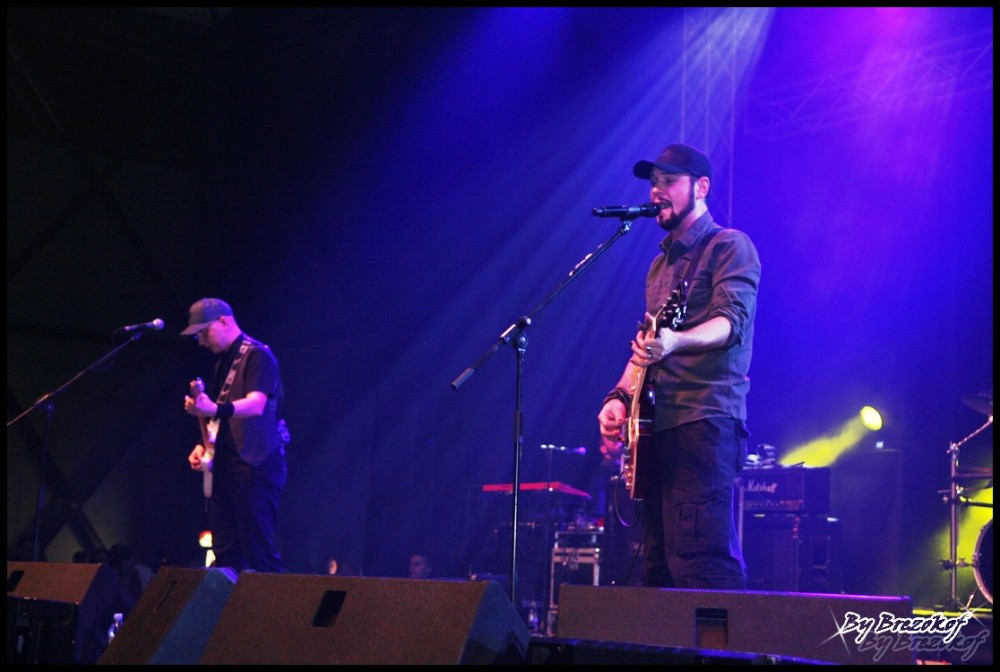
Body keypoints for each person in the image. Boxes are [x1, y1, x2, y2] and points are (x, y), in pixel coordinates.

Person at [597, 143, 760, 590]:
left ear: (701, 187)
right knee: (659, 570)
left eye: (669, 181)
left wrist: (676, 341)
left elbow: (729, 324)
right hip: (657, 430)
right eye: (654, 183)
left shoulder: (729, 246)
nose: (657, 191)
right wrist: (619, 397)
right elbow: (647, 347)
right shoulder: (659, 266)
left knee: (701, 564)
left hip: (704, 422)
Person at [182, 298, 288, 574]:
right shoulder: (223, 362)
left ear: (223, 321)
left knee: (258, 548)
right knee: (225, 550)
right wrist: (204, 445)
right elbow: (222, 415)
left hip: (255, 462)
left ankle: (276, 601)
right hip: (226, 464)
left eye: (203, 332)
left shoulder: (258, 355)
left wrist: (213, 408)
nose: (201, 342)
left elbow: (256, 404)